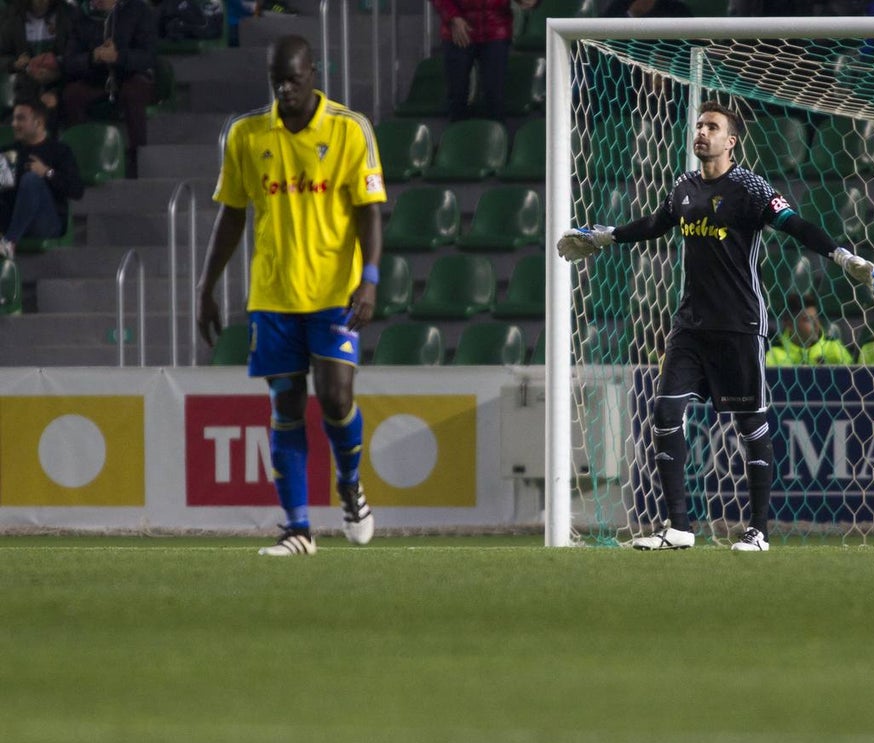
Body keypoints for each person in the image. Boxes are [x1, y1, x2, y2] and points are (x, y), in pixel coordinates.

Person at [557, 100, 874, 553]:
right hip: (690, 325)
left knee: (751, 425)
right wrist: (604, 237)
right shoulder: (684, 186)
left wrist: (842, 257)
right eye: (700, 125)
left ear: (731, 141)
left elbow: (796, 225)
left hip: (740, 324)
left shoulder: (750, 187)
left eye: (712, 126)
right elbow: (655, 224)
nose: (702, 132)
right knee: (665, 414)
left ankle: (759, 531)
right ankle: (679, 527)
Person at [196, 35, 387, 556]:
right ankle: (297, 529)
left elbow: (370, 210)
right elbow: (232, 212)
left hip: (334, 292)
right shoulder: (246, 134)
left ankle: (349, 484)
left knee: (336, 397)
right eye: (276, 81)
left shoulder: (350, 129)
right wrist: (207, 286)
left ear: (313, 74)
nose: (285, 90)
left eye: (294, 80)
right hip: (273, 297)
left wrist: (369, 279)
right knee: (285, 405)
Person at [60, 0, 156, 179]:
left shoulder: (139, 10)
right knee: (72, 95)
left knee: (133, 92)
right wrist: (92, 57)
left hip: (131, 76)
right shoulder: (81, 15)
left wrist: (118, 57)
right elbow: (70, 62)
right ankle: (81, 157)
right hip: (97, 79)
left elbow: (147, 57)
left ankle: (137, 159)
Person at [0, 99, 83, 260]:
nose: (14, 124)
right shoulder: (7, 152)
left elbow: (77, 191)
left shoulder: (60, 151)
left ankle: (9, 242)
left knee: (31, 179)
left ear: (38, 123)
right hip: (12, 219)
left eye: (20, 119)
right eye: (14, 119)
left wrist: (47, 172)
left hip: (46, 222)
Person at [429, 0, 538, 123]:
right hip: (458, 31)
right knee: (457, 95)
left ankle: (497, 134)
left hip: (495, 30)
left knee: (494, 96)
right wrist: (453, 17)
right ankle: (457, 133)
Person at [0, 0, 74, 114]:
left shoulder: (68, 14)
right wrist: (15, 64)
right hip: (23, 88)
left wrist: (58, 71)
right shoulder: (12, 16)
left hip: (61, 87)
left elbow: (77, 56)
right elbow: (2, 55)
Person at [764, 292, 854, 365]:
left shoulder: (833, 348)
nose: (816, 324)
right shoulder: (774, 354)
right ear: (789, 324)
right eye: (808, 319)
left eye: (816, 318)